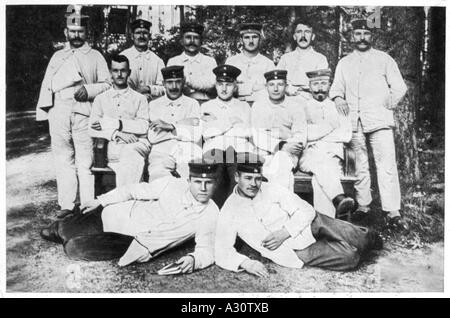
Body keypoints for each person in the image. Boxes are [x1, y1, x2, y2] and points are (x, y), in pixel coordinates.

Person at [215, 154, 383, 276]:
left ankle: (367, 239)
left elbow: (306, 210)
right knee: (350, 258)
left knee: (364, 238)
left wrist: (285, 232)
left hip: (310, 224)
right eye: (248, 178)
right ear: (237, 177)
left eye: (257, 178)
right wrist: (247, 263)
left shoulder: (270, 188)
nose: (254, 184)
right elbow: (222, 250)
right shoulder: (229, 210)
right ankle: (350, 242)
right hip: (294, 250)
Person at [40, 160, 220, 272]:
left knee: (73, 248)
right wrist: (101, 200)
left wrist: (194, 260)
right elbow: (133, 190)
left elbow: (207, 248)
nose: (203, 188)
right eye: (198, 182)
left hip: (131, 240)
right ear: (189, 181)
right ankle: (64, 228)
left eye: (208, 183)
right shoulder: (173, 184)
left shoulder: (211, 213)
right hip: (119, 214)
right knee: (57, 230)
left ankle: (72, 234)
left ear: (216, 184)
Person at [329, 19, 408, 230]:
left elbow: (399, 87)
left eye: (365, 33)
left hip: (379, 121)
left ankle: (392, 210)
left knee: (386, 164)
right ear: (352, 36)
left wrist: (386, 104)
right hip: (353, 122)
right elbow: (335, 88)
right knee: (359, 165)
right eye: (358, 34)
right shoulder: (344, 63)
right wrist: (338, 98)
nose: (362, 37)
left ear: (371, 36)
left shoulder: (384, 59)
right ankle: (363, 206)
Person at [36, 13, 110, 219]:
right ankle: (67, 204)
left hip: (83, 110)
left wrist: (89, 90)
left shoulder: (95, 56)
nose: (76, 35)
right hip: (59, 111)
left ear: (87, 32)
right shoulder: (57, 56)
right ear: (66, 32)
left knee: (85, 159)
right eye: (73, 31)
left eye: (81, 31)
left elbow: (108, 84)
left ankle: (87, 204)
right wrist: (44, 113)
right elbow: (47, 86)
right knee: (62, 158)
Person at [298, 69, 354, 218]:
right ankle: (338, 198)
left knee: (319, 181)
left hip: (332, 156)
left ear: (329, 85)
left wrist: (317, 136)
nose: (319, 88)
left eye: (323, 83)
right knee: (324, 167)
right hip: (309, 155)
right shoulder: (302, 106)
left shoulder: (339, 106)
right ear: (309, 87)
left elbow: (346, 134)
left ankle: (325, 228)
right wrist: (329, 127)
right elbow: (303, 133)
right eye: (315, 84)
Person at [89, 54, 151, 186]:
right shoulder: (100, 99)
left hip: (137, 144)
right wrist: (116, 133)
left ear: (129, 72)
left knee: (131, 157)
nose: (119, 74)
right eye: (115, 71)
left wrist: (115, 124)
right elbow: (91, 129)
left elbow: (143, 126)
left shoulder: (140, 98)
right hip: (112, 147)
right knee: (124, 165)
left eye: (123, 70)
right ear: (110, 72)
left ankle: (127, 201)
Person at [201, 64, 255, 206]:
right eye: (220, 84)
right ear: (216, 85)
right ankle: (215, 214)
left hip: (238, 148)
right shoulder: (207, 106)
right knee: (215, 174)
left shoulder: (243, 106)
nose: (224, 89)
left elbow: (247, 132)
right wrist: (232, 122)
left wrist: (217, 124)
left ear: (235, 86)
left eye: (228, 84)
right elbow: (206, 132)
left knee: (237, 174)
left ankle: (234, 213)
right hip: (214, 149)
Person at [251, 70, 307, 191]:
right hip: (263, 152)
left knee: (280, 169)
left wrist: (284, 145)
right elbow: (257, 136)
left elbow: (300, 136)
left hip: (287, 153)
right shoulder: (258, 106)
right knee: (260, 173)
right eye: (271, 85)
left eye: (280, 84)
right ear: (266, 87)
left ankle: (279, 208)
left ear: (286, 86)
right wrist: (282, 142)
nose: (275, 89)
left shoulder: (296, 107)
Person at [147, 65, 203, 181]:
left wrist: (170, 126)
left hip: (188, 149)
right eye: (169, 82)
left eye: (178, 82)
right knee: (158, 180)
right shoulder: (154, 105)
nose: (174, 87)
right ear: (163, 83)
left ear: (183, 82)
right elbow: (153, 137)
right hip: (161, 149)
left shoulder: (192, 104)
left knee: (190, 180)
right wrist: (183, 128)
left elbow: (196, 135)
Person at [277, 19, 328, 99]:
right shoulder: (285, 58)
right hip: (287, 101)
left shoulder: (320, 59)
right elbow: (277, 81)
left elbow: (321, 86)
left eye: (307, 32)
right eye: (299, 32)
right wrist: (286, 88)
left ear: (313, 37)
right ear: (294, 36)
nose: (303, 36)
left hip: (311, 100)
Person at [167, 22, 217, 104]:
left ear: (201, 41)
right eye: (188, 37)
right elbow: (170, 87)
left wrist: (186, 80)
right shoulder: (173, 61)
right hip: (181, 104)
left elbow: (211, 84)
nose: (192, 41)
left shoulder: (209, 61)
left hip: (205, 102)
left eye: (196, 38)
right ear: (181, 41)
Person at [226, 23, 275, 105]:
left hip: (261, 107)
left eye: (254, 37)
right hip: (235, 106)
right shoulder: (231, 62)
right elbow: (227, 88)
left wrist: (240, 87)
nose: (251, 41)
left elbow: (272, 90)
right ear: (241, 40)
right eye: (247, 37)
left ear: (260, 39)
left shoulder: (268, 64)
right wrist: (254, 87)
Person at [121, 19, 165, 102]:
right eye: (138, 33)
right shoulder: (123, 56)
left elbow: (164, 88)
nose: (141, 36)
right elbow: (116, 85)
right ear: (132, 35)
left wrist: (148, 89)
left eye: (145, 33)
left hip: (150, 106)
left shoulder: (157, 61)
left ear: (149, 35)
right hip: (126, 104)